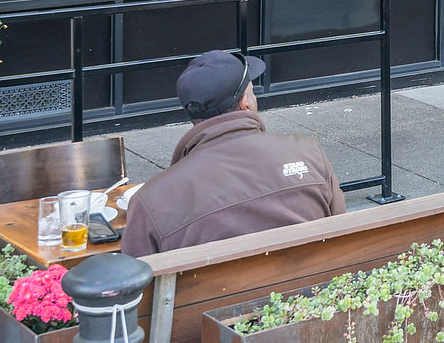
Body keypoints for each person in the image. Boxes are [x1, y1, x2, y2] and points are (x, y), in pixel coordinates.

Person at [120, 50, 344, 257]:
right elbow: (342, 233)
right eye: (253, 92)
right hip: (316, 286)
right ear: (245, 103)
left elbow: (137, 278)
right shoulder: (308, 152)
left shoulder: (152, 200)